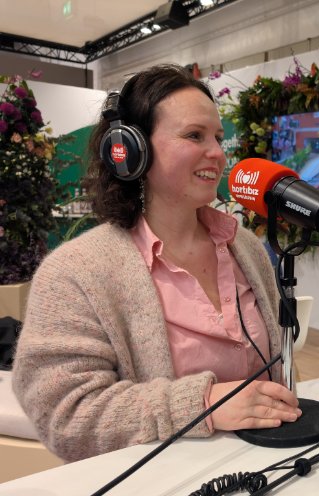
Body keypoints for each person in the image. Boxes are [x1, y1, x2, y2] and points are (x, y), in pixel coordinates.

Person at [12, 64, 301, 462]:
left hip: (265, 469)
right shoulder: (75, 273)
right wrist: (203, 404)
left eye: (218, 138)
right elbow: (65, 415)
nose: (218, 153)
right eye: (194, 135)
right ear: (131, 149)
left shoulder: (246, 248)